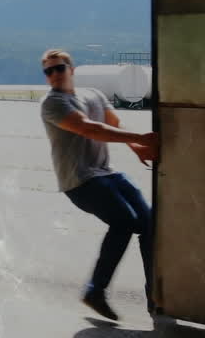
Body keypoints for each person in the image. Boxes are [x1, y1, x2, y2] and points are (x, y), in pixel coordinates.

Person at [39, 49, 157, 321]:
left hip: (106, 173)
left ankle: (155, 295)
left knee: (148, 224)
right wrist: (140, 136)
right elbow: (89, 129)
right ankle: (95, 291)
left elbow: (112, 123)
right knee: (125, 222)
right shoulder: (52, 104)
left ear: (71, 69)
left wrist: (137, 147)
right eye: (48, 71)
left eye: (59, 68)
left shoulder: (93, 94)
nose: (54, 75)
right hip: (79, 180)